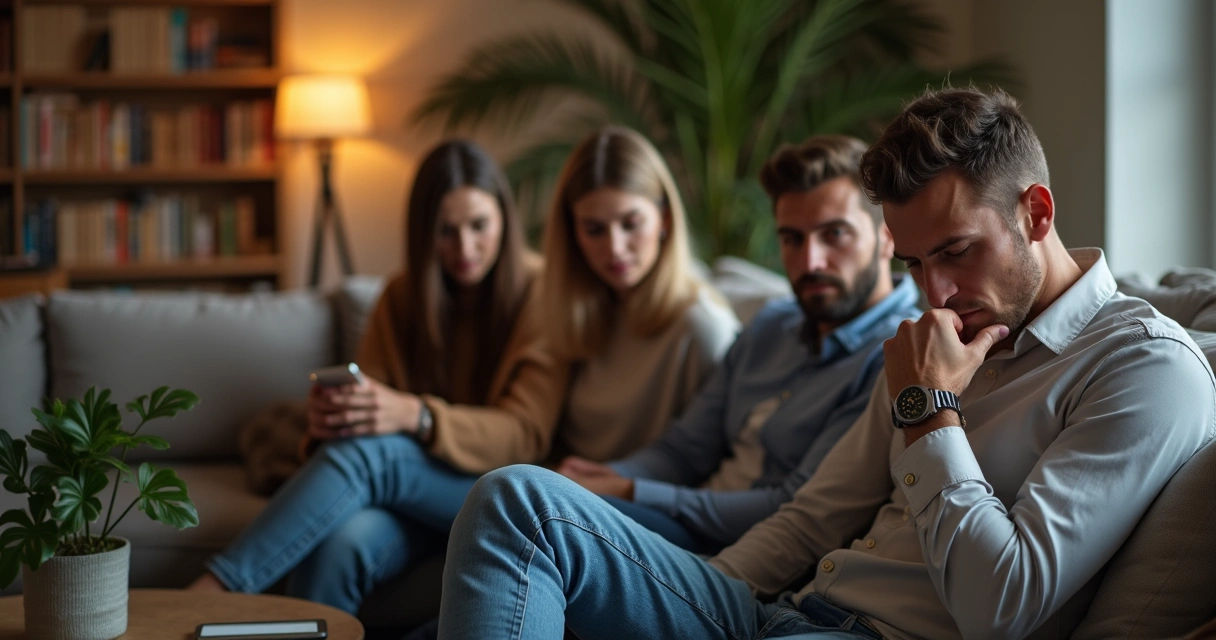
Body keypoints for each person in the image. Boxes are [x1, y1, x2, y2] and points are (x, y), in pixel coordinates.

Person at [435, 88, 1215, 640]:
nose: (934, 292)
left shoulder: (1143, 369)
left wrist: (930, 414)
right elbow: (813, 516)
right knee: (517, 503)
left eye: (955, 252)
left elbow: (1002, 606)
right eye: (913, 262)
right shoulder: (937, 335)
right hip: (782, 610)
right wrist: (694, 597)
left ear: (1035, 212)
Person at [188, 127, 738, 619]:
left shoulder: (544, 295)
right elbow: (368, 408)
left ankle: (213, 594)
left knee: (372, 456)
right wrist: (343, 414)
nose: (464, 248)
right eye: (445, 231)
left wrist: (417, 415)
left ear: (503, 216)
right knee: (342, 543)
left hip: (511, 486)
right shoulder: (404, 298)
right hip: (424, 492)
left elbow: (528, 433)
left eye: (479, 225)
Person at [554, 135, 920, 554]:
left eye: (834, 234)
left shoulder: (896, 355)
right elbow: (684, 450)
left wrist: (631, 490)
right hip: (682, 527)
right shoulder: (772, 324)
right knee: (532, 493)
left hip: (743, 554)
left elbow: (794, 508)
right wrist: (596, 476)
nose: (810, 262)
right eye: (792, 238)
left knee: (528, 506)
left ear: (887, 237)